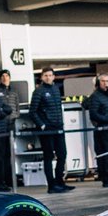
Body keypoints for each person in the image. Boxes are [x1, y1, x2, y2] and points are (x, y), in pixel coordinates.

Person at [30, 66, 74, 194]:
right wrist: (42, 125)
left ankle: (60, 182)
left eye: (50, 75)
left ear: (54, 77)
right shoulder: (38, 91)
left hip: (58, 127)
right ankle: (51, 185)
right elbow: (33, 112)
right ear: (42, 77)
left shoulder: (55, 89)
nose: (48, 77)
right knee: (48, 156)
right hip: (47, 130)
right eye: (46, 75)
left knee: (62, 155)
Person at [0, 68, 21, 188]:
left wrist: (13, 116)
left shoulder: (14, 92)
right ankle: (2, 181)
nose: (5, 78)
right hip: (1, 127)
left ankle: (11, 180)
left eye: (7, 76)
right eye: (3, 76)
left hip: (11, 125)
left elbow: (17, 109)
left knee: (10, 154)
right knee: (2, 155)